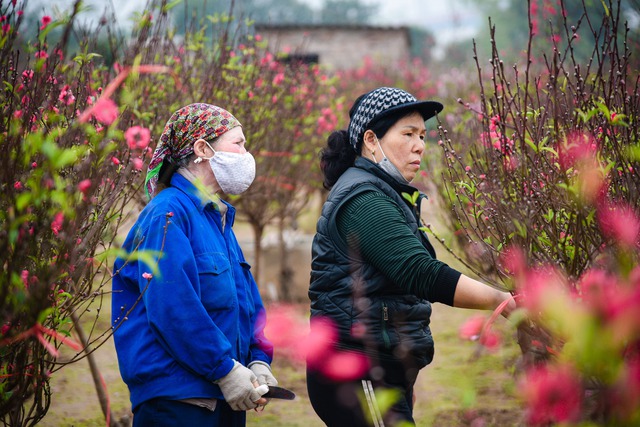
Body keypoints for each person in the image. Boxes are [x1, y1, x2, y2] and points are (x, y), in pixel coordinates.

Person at [307, 87, 516, 426]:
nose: (420, 145)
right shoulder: (362, 198)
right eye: (408, 134)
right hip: (358, 367)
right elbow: (419, 272)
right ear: (371, 140)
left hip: (378, 364)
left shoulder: (380, 190)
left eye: (423, 135)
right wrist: (501, 300)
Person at [112, 103, 277, 427]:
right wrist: (224, 369)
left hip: (227, 396)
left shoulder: (217, 219)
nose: (246, 154)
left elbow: (246, 302)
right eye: (239, 143)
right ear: (203, 149)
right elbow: (173, 308)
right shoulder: (168, 215)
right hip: (179, 402)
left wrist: (258, 359)